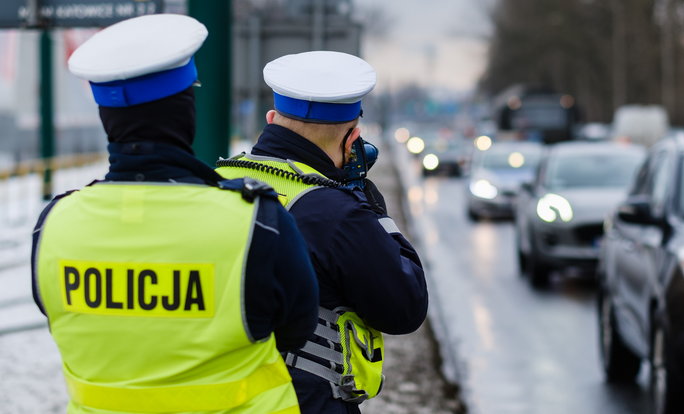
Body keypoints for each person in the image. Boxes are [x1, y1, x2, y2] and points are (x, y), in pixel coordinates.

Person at [30, 14, 319, 414]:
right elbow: (296, 330)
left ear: (106, 116)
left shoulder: (54, 225)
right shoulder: (256, 223)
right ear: (187, 110)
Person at [216, 51, 428, 414]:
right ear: (352, 139)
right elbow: (405, 308)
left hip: (217, 395)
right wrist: (375, 212)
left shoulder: (210, 183)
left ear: (271, 119)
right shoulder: (338, 213)